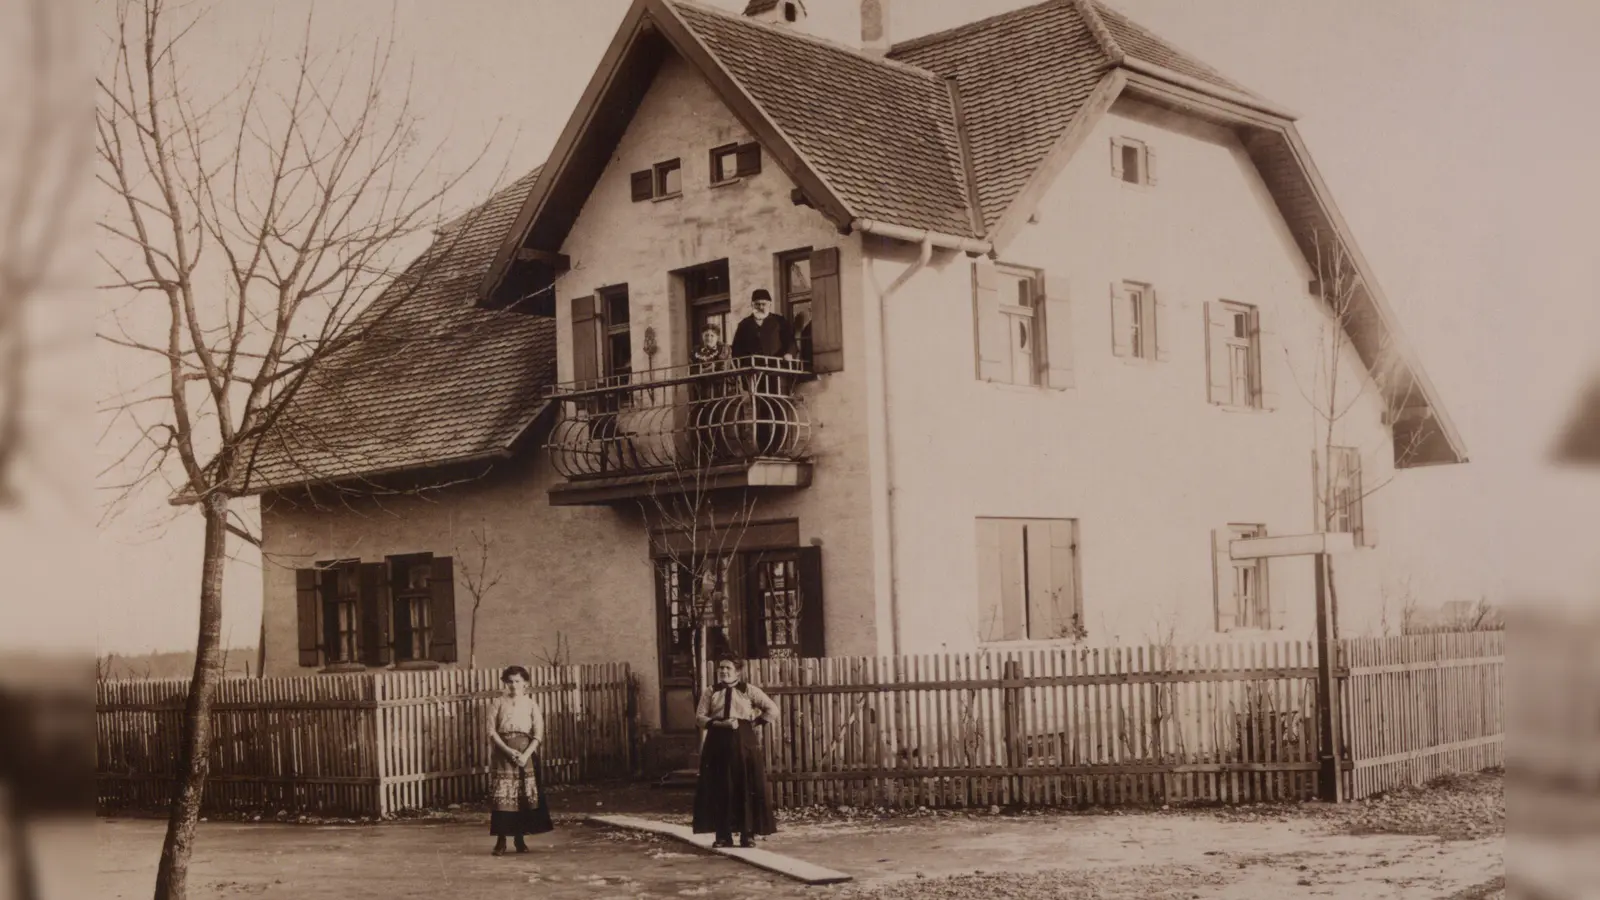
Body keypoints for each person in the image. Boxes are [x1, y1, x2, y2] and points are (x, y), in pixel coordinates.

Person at [692, 655, 779, 849]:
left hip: (744, 744)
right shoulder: (710, 691)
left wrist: (752, 724)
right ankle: (723, 836)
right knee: (721, 787)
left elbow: (772, 709)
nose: (723, 671)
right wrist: (718, 723)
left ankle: (747, 836)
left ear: (738, 672)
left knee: (745, 785)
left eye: (728, 668)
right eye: (721, 668)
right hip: (717, 743)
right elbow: (699, 717)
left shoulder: (749, 690)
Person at [487, 666, 553, 855]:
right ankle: (501, 841)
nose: (514, 685)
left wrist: (525, 755)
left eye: (517, 681)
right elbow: (491, 731)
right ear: (505, 683)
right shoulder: (498, 703)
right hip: (503, 753)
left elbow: (538, 734)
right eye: (510, 681)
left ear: (525, 683)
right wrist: (507, 750)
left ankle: (519, 839)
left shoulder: (532, 705)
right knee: (503, 798)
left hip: (525, 753)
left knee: (522, 798)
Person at [729, 289, 795, 361]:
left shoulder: (779, 321)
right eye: (757, 304)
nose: (760, 307)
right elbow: (736, 350)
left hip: (775, 367)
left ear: (769, 304)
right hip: (751, 369)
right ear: (752, 305)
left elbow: (790, 341)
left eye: (764, 304)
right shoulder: (744, 325)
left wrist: (789, 353)